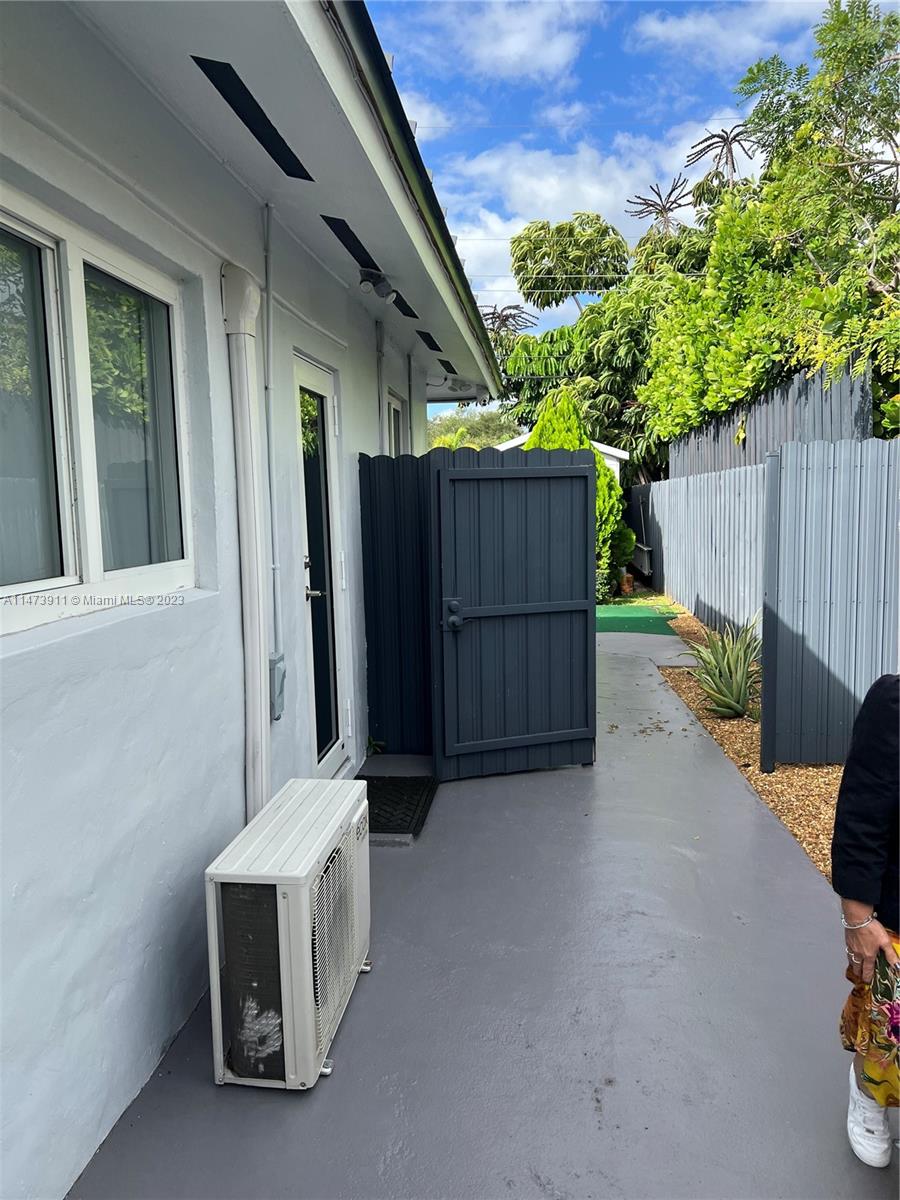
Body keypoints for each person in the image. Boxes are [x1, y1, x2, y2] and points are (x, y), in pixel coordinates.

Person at [831, 673, 899, 1168]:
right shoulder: (894, 704)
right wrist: (857, 916)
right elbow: (861, 810)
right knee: (888, 1029)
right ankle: (867, 1093)